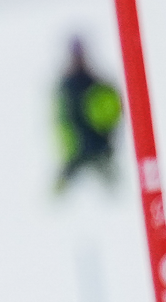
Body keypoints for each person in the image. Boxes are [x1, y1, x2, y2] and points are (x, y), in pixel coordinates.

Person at [53, 37, 123, 197]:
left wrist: (106, 134)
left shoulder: (95, 82)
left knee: (114, 190)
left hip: (98, 146)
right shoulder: (66, 87)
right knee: (63, 190)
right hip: (77, 150)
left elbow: (112, 109)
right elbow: (61, 120)